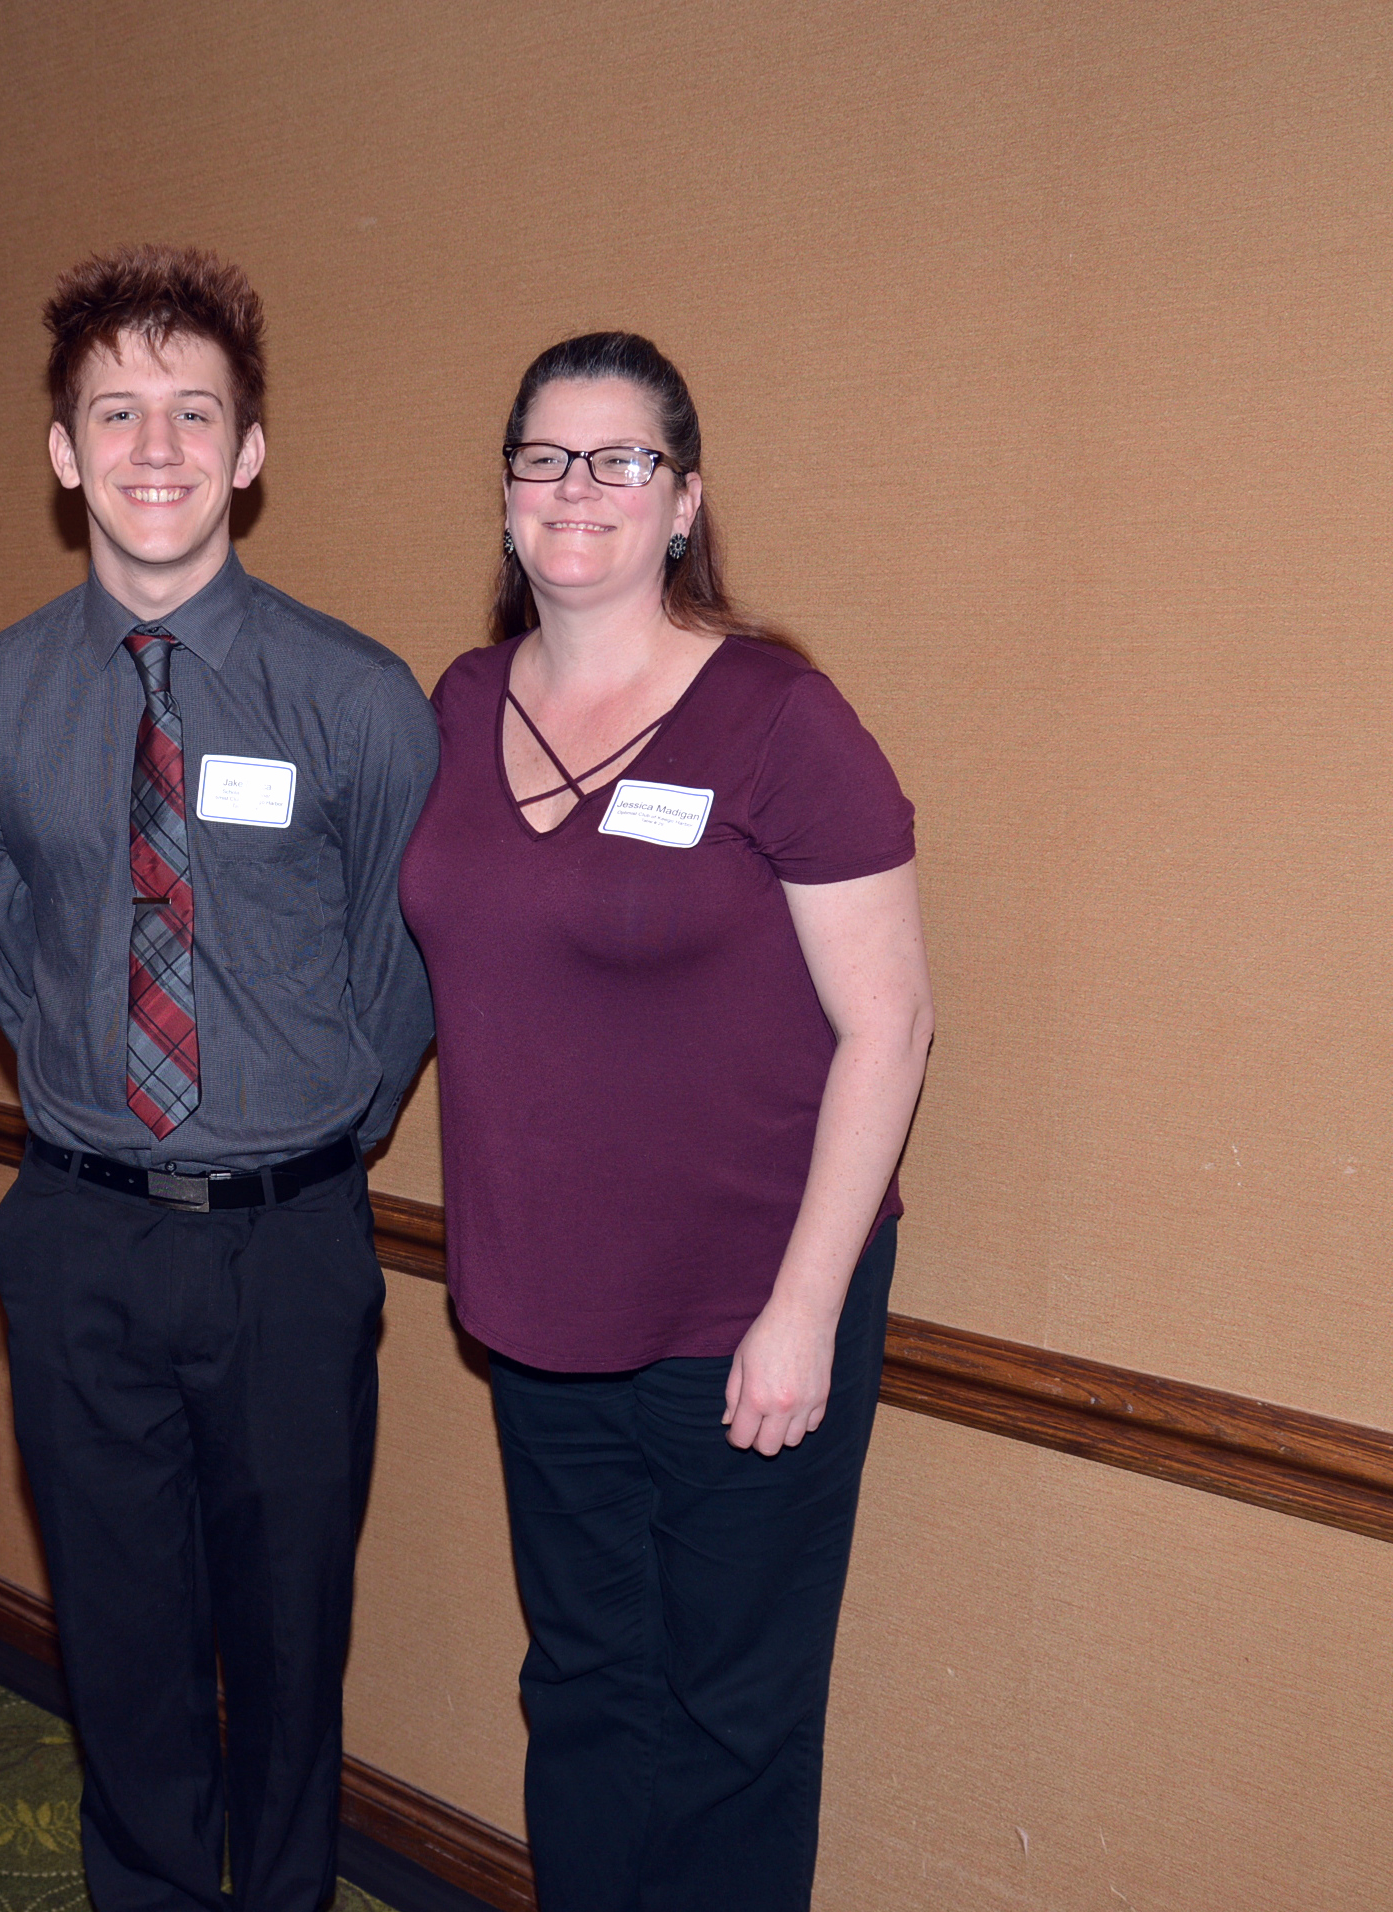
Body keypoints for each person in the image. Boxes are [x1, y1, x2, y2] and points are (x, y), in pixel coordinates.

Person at [395, 332, 935, 1912]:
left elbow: (891, 1024)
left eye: (620, 459)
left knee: (730, 1721)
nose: (578, 489)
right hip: (540, 1306)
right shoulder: (459, 705)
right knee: (582, 1689)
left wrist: (804, 1311)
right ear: (506, 495)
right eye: (544, 458)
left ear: (683, 500)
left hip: (744, 1317)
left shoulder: (779, 714)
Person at [0, 246, 437, 1912]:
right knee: (123, 1647)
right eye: (116, 412)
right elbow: (7, 948)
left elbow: (402, 963)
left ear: (249, 449)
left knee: (290, 1648)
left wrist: (309, 1129)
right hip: (79, 1234)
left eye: (193, 412)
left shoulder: (357, 698)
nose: (155, 447)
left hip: (289, 1246)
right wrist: (97, 1093)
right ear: (63, 450)